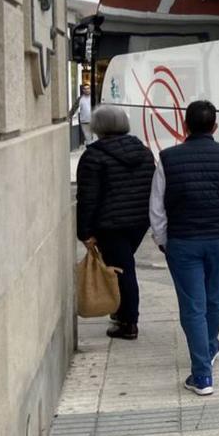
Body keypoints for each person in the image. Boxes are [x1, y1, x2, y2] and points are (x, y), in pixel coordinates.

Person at [150, 100, 219, 396]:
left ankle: (202, 375)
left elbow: (157, 208)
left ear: (185, 126)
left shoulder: (167, 159)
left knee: (192, 306)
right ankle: (209, 347)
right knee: (214, 299)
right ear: (215, 127)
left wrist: (162, 239)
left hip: (182, 242)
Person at [75, 106, 156, 340]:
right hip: (139, 222)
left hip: (110, 224)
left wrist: (84, 232)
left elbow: (87, 198)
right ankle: (120, 310)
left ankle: (129, 323)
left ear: (98, 127)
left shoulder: (93, 156)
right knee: (122, 267)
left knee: (123, 271)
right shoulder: (143, 151)